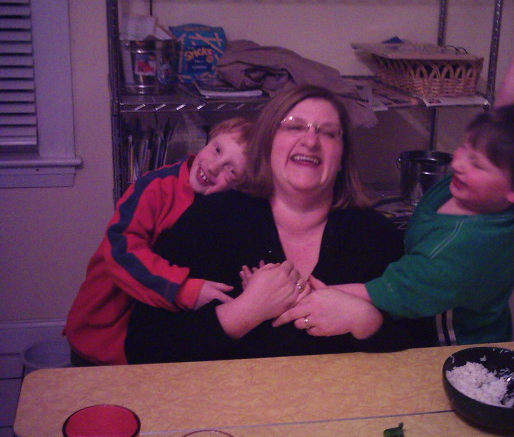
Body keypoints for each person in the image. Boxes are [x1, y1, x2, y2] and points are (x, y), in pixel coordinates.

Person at [273, 0, 514, 345]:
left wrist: (299, 294)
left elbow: (378, 294)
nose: (457, 162)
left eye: (476, 163)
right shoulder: (502, 193)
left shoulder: (457, 249)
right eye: (466, 148)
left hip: (454, 348)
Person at [124, 85, 436, 364]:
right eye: (294, 127)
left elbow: (425, 351)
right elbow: (143, 345)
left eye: (328, 133)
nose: (310, 140)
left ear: (342, 157)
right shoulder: (210, 219)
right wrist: (242, 313)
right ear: (266, 144)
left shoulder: (375, 236)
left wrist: (367, 322)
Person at [64, 117, 253, 365]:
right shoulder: (155, 187)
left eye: (232, 170)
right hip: (103, 332)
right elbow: (121, 251)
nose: (215, 167)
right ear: (207, 141)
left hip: (152, 341)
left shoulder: (225, 210)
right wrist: (184, 289)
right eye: (217, 150)